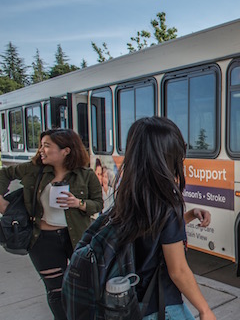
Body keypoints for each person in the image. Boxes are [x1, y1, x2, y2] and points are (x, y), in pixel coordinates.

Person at [108, 117, 216, 320]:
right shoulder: (167, 202)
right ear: (167, 156)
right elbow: (178, 271)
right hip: (160, 305)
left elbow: (154, 235)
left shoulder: (131, 194)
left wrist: (190, 215)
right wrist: (205, 310)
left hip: (132, 302)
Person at [0, 128, 104, 320]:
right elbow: (4, 174)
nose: (41, 150)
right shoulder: (33, 170)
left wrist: (78, 203)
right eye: (41, 145)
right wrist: (2, 203)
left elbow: (98, 204)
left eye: (47, 146)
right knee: (56, 291)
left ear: (66, 150)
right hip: (43, 241)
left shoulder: (86, 175)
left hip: (78, 238)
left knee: (83, 287)